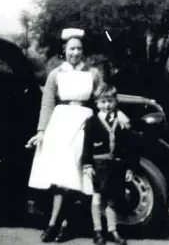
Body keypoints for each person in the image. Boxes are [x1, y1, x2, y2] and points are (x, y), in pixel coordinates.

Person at [25, 28, 130, 243]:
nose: (75, 52)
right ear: (64, 50)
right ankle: (53, 225)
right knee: (62, 178)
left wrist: (118, 112)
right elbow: (47, 104)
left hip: (85, 125)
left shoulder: (92, 73)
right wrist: (41, 132)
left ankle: (76, 226)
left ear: (83, 51)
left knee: (82, 178)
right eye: (71, 48)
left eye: (79, 49)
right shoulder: (56, 74)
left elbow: (105, 95)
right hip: (61, 125)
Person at [83, 84, 139, 245]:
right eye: (103, 102)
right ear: (96, 103)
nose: (107, 105)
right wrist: (87, 165)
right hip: (99, 165)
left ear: (115, 101)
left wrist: (130, 167)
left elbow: (130, 147)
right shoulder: (92, 122)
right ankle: (97, 231)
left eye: (110, 101)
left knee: (112, 199)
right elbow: (86, 145)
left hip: (116, 166)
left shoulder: (122, 121)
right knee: (97, 197)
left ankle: (113, 231)